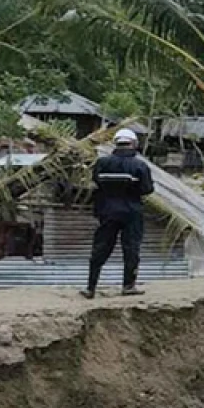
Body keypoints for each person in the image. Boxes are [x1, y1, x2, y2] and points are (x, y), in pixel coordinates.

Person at [82, 128, 154, 299]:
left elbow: (96, 182)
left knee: (100, 248)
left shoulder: (102, 163)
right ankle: (128, 286)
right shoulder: (140, 165)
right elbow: (147, 189)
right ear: (134, 144)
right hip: (131, 212)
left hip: (106, 211)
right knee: (131, 249)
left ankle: (90, 288)